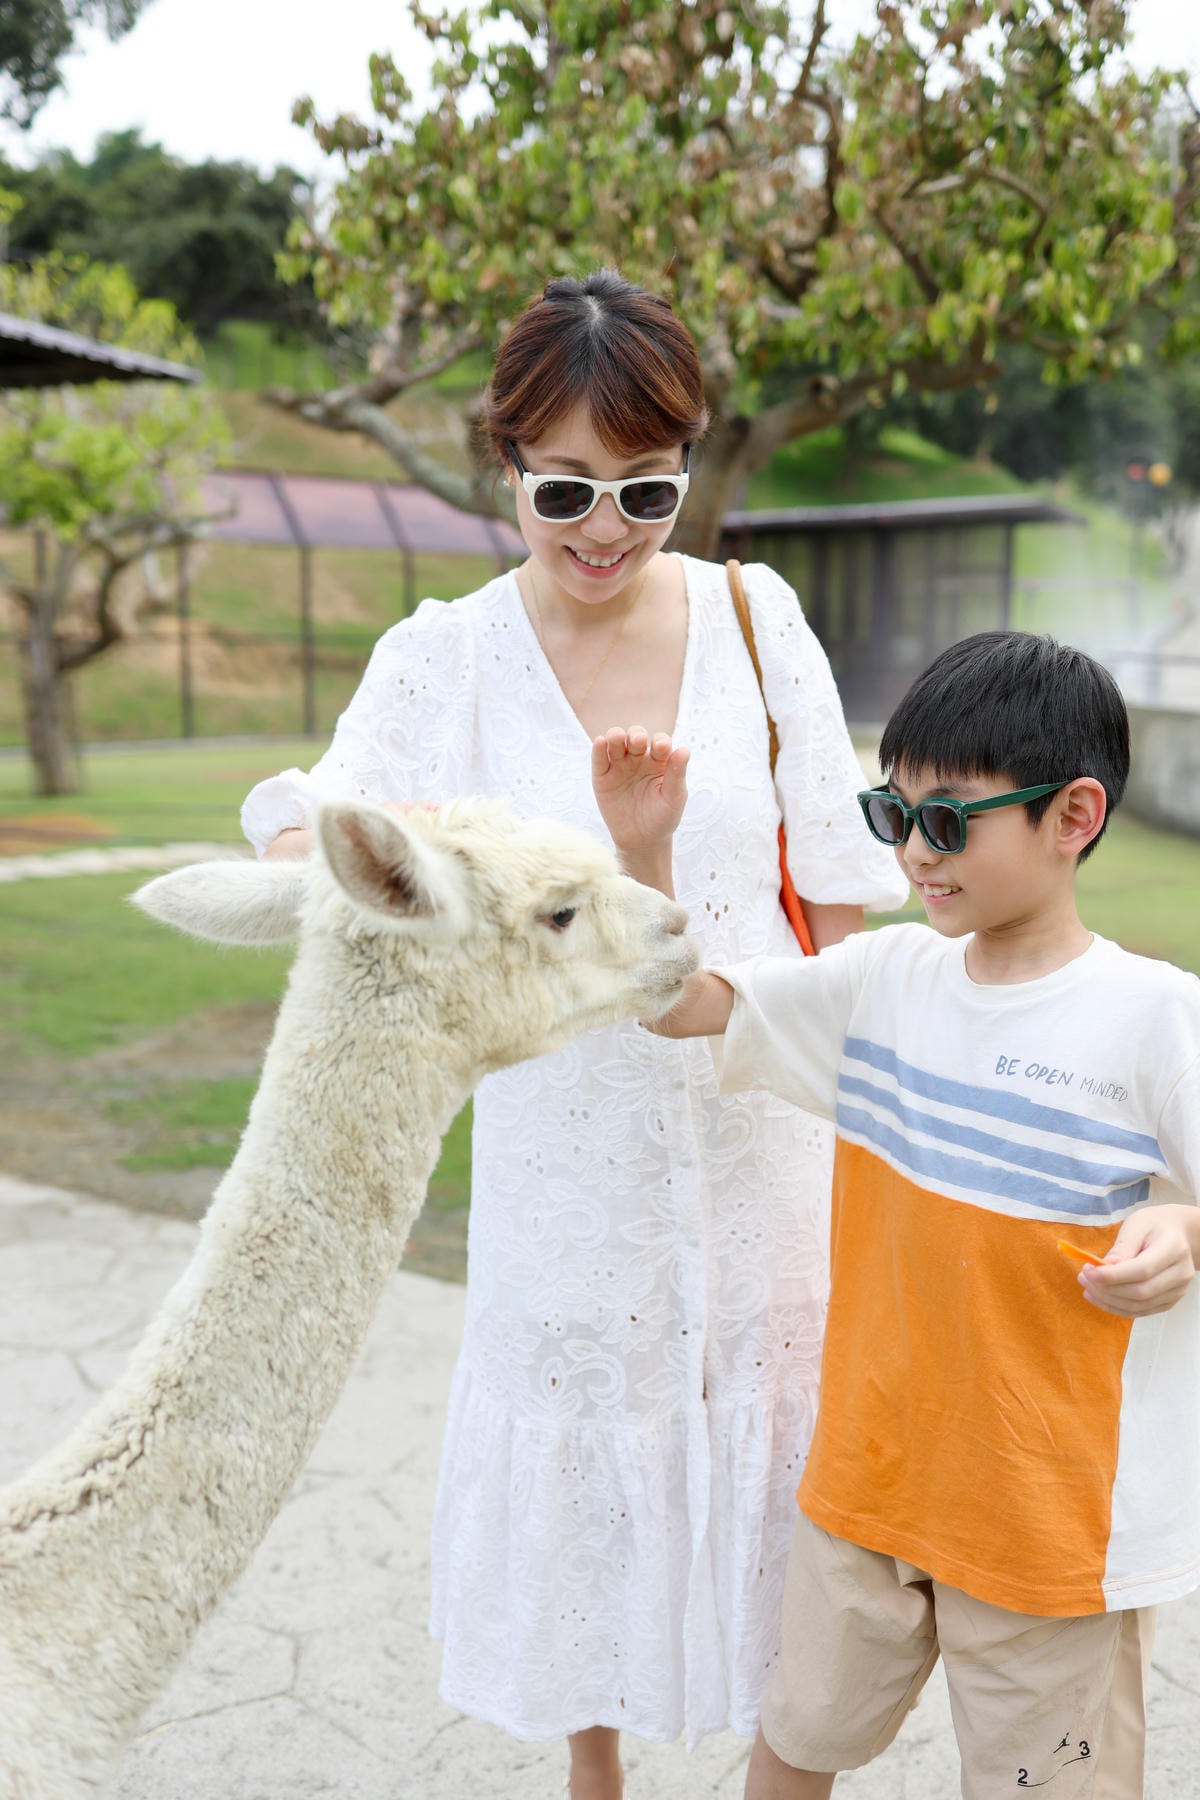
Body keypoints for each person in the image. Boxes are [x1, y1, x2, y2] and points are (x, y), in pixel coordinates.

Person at [240, 269, 907, 1797]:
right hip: (568, 1157)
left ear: (686, 470)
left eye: (647, 491)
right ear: (506, 465)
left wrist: (786, 1036)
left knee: (768, 1484)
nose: (604, 528)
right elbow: (320, 823)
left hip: (758, 1146)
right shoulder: (446, 657)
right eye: (563, 490)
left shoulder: (758, 618)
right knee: (584, 1474)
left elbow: (846, 897)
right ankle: (591, 1777)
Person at [593, 628, 1200, 1800]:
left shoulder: (1154, 1019)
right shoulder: (885, 986)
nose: (914, 854)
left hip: (1048, 1534)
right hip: (866, 1487)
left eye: (950, 821)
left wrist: (1183, 1230)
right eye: (894, 814)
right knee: (792, 1754)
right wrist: (642, 851)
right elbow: (680, 1006)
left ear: (1073, 815)